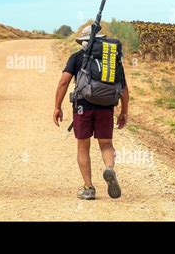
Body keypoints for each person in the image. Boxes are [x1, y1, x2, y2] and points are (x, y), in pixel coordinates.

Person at [53, 25, 129, 200]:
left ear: (83, 42)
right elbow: (123, 88)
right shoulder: (112, 61)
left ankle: (88, 188)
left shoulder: (78, 57)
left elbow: (64, 82)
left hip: (83, 106)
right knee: (106, 144)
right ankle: (109, 168)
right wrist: (124, 111)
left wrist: (57, 106)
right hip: (106, 106)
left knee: (83, 146)